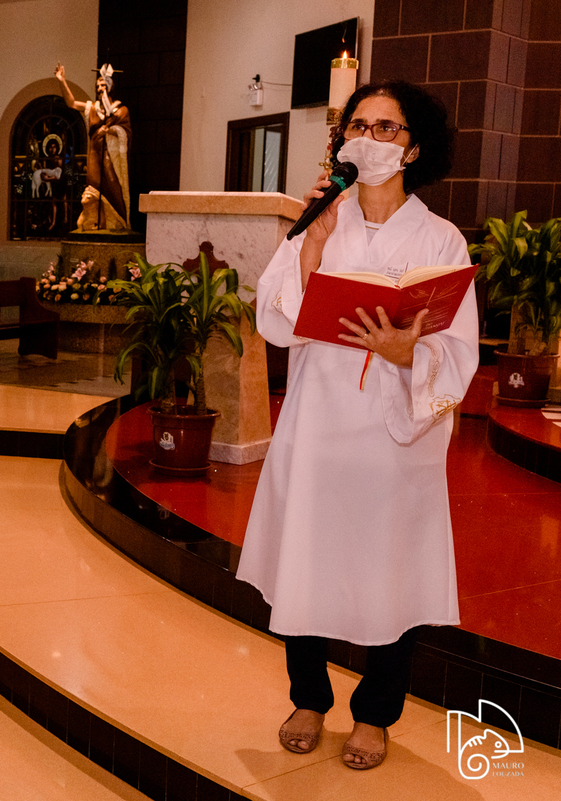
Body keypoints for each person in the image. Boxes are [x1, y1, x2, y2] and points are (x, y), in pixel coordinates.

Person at [236, 81, 478, 770]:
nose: (370, 139)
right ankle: (308, 696)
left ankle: (375, 712)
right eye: (360, 126)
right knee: (307, 558)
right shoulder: (322, 216)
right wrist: (311, 253)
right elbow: (274, 320)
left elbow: (458, 348)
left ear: (415, 147)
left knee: (390, 567)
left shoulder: (440, 237)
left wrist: (410, 352)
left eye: (388, 128)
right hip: (319, 422)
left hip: (392, 432)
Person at [55, 62, 132, 231]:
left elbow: (125, 132)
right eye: (97, 86)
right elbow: (72, 103)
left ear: (110, 87)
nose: (99, 89)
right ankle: (96, 223)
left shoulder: (121, 110)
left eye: (103, 85)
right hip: (95, 155)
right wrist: (62, 80)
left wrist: (110, 131)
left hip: (111, 158)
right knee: (94, 189)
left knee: (113, 189)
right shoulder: (92, 109)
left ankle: (116, 223)